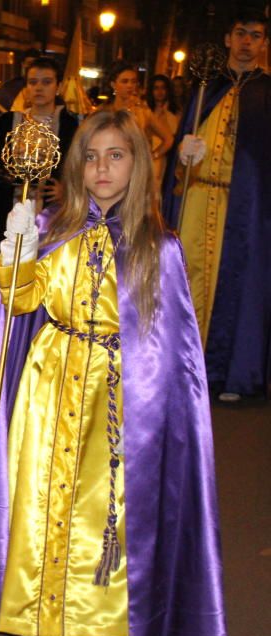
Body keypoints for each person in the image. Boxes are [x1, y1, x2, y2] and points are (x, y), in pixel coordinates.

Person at [0, 111, 228, 636]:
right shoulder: (52, 229)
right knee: (37, 496)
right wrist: (16, 253)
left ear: (137, 164)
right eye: (92, 156)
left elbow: (173, 348)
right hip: (50, 385)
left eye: (115, 155)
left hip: (117, 392)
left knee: (103, 507)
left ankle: (87, 620)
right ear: (75, 166)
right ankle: (29, 617)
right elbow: (21, 301)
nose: (102, 167)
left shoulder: (158, 246)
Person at [163, 11, 270, 401]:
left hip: (244, 207)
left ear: (263, 44)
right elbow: (180, 152)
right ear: (228, 38)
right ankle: (181, 367)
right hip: (196, 197)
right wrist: (184, 158)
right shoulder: (206, 87)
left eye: (255, 36)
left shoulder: (266, 93)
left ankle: (228, 372)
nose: (246, 41)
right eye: (240, 33)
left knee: (238, 282)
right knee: (183, 277)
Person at [0, 57, 79, 363]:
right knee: (3, 277)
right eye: (33, 82)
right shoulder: (7, 124)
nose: (39, 88)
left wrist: (68, 191)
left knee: (44, 281)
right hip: (8, 216)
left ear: (57, 86)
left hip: (52, 219)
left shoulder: (72, 126)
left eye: (46, 82)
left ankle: (38, 349)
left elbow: (85, 169)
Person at [99, 61, 174, 167]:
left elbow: (168, 139)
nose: (130, 86)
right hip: (108, 166)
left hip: (135, 168)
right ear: (113, 84)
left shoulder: (142, 111)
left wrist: (151, 156)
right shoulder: (103, 111)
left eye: (133, 82)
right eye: (125, 81)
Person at [145, 74, 181, 183]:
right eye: (156, 88)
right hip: (148, 155)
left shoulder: (175, 113)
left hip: (168, 158)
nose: (160, 92)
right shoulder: (145, 111)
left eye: (163, 88)